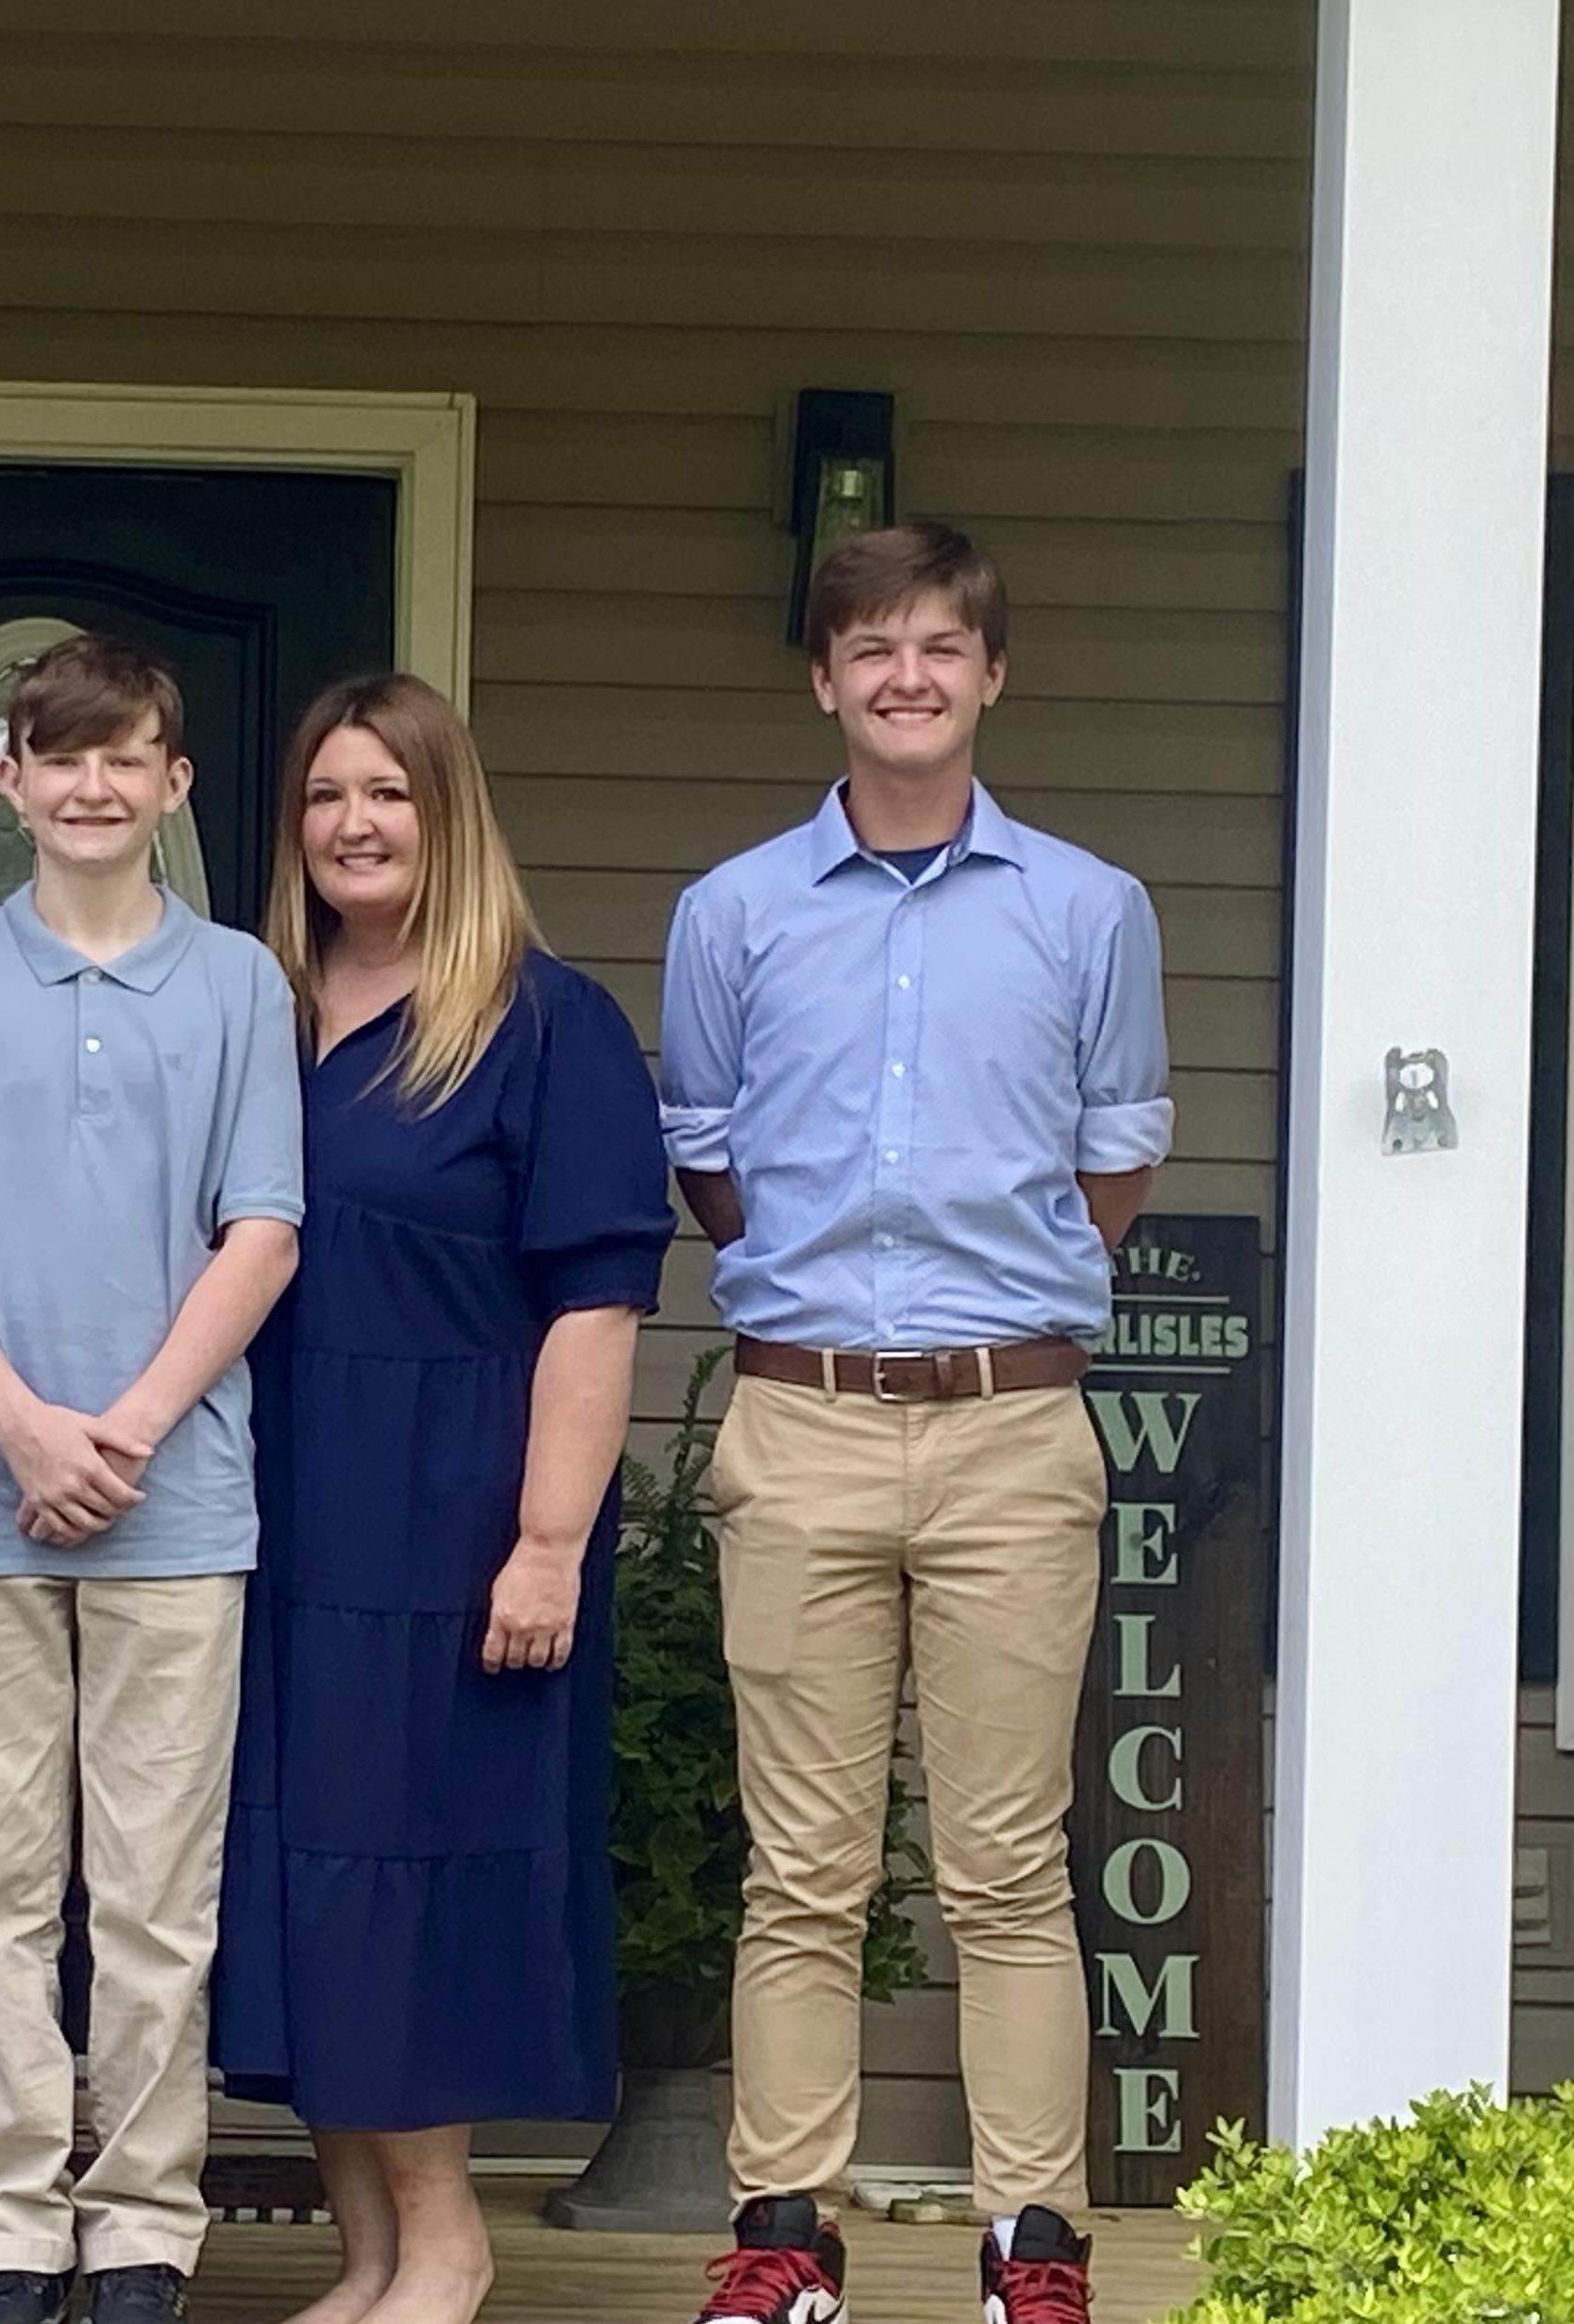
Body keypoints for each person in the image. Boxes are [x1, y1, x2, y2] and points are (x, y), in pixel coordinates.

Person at [660, 522, 1173, 2324]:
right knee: (801, 1870)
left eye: (941, 646)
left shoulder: (1090, 910)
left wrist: (989, 1304)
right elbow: (708, 1155)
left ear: (991, 674)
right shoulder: (733, 914)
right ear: (824, 678)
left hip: (1011, 1431)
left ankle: (1034, 2251)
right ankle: (786, 2245)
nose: (907, 677)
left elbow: (1115, 1158)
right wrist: (825, 1302)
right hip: (801, 1420)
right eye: (872, 647)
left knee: (1009, 1868)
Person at [0, 634, 304, 2324]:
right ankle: (14, 2228)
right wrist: (26, 1424)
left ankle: (144, 2227)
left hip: (180, 1503)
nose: (92, 785)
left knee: (160, 1895)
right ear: (13, 780)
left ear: (174, 783)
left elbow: (264, 1229)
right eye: (61, 755)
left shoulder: (240, 983)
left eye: (125, 757)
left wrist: (134, 1426)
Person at [212, 674, 673, 2324]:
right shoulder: (254, 1011)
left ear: (449, 812)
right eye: (327, 794)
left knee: (406, 1868)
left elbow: (598, 1306)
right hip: (273, 1507)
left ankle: (447, 2244)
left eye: (388, 793)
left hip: (453, 1510)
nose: (355, 824)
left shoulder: (545, 1023)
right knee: (300, 1868)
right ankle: (369, 2257)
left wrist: (549, 1540)